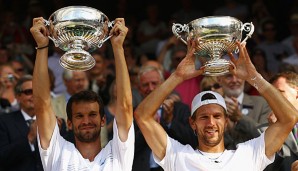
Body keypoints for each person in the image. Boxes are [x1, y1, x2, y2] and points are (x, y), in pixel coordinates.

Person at [134, 41, 298, 170]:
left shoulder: (248, 154)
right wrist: (177, 77)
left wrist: (254, 77)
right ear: (192, 123)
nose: (211, 123)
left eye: (217, 116)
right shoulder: (177, 155)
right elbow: (142, 115)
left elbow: (289, 118)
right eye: (204, 117)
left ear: (226, 121)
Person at [30, 17, 134, 170]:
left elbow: (125, 105)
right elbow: (41, 105)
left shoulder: (119, 153)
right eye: (79, 116)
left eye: (92, 114)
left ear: (103, 120)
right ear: (70, 123)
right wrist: (42, 46)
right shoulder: (58, 152)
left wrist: (118, 48)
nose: (86, 121)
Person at [132, 65, 195, 171]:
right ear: (139, 89)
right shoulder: (132, 114)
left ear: (162, 85)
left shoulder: (180, 109)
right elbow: (125, 150)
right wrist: (145, 124)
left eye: (154, 83)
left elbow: (192, 141)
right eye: (145, 85)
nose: (150, 88)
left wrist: (170, 121)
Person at [0, 75, 43, 171]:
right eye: (28, 92)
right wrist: (30, 138)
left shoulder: (53, 121)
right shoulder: (3, 122)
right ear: (18, 97)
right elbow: (2, 156)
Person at [261, 71, 298, 171]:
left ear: (297, 92)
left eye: (279, 93)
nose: (275, 99)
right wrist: (276, 136)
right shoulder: (263, 132)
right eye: (272, 96)